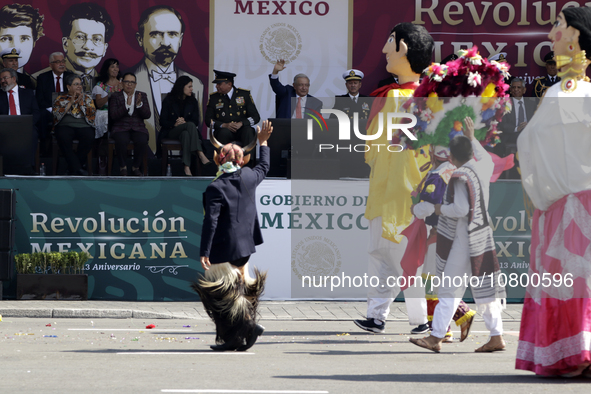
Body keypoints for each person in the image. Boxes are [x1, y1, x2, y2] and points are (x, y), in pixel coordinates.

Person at [516, 7, 591, 377]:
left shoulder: (570, 92)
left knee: (577, 278)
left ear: (576, 35)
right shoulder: (566, 91)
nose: (550, 33)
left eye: (558, 25)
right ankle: (576, 352)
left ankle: (577, 352)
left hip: (572, 202)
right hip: (565, 201)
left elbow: (533, 147)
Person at [353, 23, 433, 335]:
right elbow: (371, 146)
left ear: (405, 49)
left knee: (406, 260)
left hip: (409, 194)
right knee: (381, 255)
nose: (385, 49)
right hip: (383, 191)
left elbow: (371, 146)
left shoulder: (428, 98)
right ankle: (376, 316)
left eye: (390, 42)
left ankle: (420, 319)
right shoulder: (389, 95)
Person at [409, 117, 506, 353]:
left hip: (465, 238)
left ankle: (436, 337)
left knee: (450, 288)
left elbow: (461, 210)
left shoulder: (460, 176)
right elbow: (483, 155)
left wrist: (436, 208)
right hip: (481, 234)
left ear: (450, 157)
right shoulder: (483, 167)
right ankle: (496, 336)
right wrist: (472, 137)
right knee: (484, 288)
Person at [192, 120, 273, 352]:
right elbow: (264, 166)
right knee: (237, 293)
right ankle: (239, 335)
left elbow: (211, 221)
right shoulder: (248, 177)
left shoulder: (215, 188)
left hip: (224, 249)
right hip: (245, 249)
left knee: (220, 298)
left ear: (219, 159)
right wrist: (263, 142)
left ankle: (246, 326)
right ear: (242, 160)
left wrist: (204, 251)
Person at [409, 146, 476, 343]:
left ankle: (450, 324)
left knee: (433, 283)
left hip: (440, 236)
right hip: (455, 235)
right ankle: (448, 325)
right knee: (439, 282)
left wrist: (416, 208)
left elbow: (429, 207)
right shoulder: (459, 173)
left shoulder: (437, 176)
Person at [129, 5, 204, 153]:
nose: (165, 42)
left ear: (181, 39)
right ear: (140, 39)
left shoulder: (197, 84)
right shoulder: (130, 81)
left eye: (172, 34)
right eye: (155, 34)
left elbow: (197, 124)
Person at [160, 75, 210, 176]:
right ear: (181, 87)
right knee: (190, 125)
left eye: (192, 87)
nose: (192, 89)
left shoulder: (193, 101)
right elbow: (162, 121)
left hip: (186, 130)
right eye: (189, 86)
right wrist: (175, 124)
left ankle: (186, 167)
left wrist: (184, 122)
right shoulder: (168, 100)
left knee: (186, 134)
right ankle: (200, 152)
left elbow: (196, 121)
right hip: (171, 131)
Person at [52, 73, 96, 176]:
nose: (79, 86)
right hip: (65, 125)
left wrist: (81, 103)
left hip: (83, 125)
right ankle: (78, 168)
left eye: (80, 84)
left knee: (89, 136)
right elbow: (56, 115)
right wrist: (71, 103)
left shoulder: (87, 98)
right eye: (76, 84)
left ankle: (73, 168)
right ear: (68, 87)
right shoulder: (60, 98)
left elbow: (92, 115)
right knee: (62, 136)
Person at [108, 72, 151, 176]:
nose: (129, 84)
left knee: (142, 140)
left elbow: (147, 115)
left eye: (132, 82)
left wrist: (139, 105)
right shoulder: (115, 96)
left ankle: (135, 167)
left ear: (135, 84)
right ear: (122, 83)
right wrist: (126, 106)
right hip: (121, 127)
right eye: (127, 82)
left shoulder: (142, 95)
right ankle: (123, 167)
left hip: (138, 127)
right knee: (122, 140)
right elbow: (113, 115)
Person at [204, 70, 260, 147]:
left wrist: (242, 123)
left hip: (242, 130)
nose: (216, 86)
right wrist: (223, 125)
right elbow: (208, 120)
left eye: (219, 84)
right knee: (223, 133)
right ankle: (223, 159)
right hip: (224, 131)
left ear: (229, 84)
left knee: (249, 131)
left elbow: (256, 117)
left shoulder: (244, 95)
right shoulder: (214, 98)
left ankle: (248, 158)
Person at [497, 78, 537, 178]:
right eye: (513, 87)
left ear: (524, 90)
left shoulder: (532, 103)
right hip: (512, 135)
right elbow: (502, 124)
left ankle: (535, 173)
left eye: (519, 87)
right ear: (510, 89)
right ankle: (516, 173)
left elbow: (537, 120)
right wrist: (517, 128)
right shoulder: (505, 103)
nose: (516, 90)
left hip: (528, 133)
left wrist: (529, 126)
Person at [35, 52, 72, 155]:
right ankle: (43, 147)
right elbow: (39, 99)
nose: (62, 64)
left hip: (67, 110)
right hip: (49, 110)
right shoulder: (43, 78)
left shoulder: (71, 77)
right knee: (41, 114)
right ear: (50, 65)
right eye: (58, 62)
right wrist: (52, 109)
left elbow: (75, 97)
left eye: (63, 61)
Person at [0, 3, 44, 84]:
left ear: (34, 42)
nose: (15, 48)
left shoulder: (31, 83)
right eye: (6, 38)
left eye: (24, 38)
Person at [92, 58, 123, 175]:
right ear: (107, 69)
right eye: (112, 66)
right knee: (106, 118)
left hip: (120, 113)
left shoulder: (123, 84)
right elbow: (99, 104)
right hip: (103, 112)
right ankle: (103, 161)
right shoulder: (100, 85)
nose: (115, 69)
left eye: (117, 66)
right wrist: (110, 94)